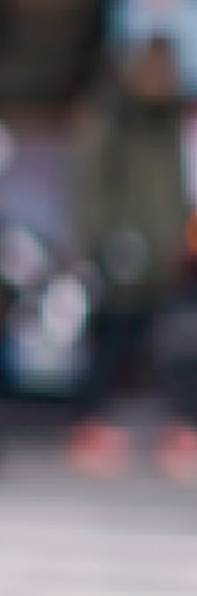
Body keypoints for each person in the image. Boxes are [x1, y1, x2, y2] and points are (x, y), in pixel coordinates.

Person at [69, 34, 197, 480]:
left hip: (167, 252)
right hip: (124, 251)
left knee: (176, 345)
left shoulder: (172, 122)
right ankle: (91, 425)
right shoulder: (116, 118)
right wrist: (101, 238)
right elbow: (90, 185)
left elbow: (180, 185)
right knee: (113, 340)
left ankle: (180, 429)